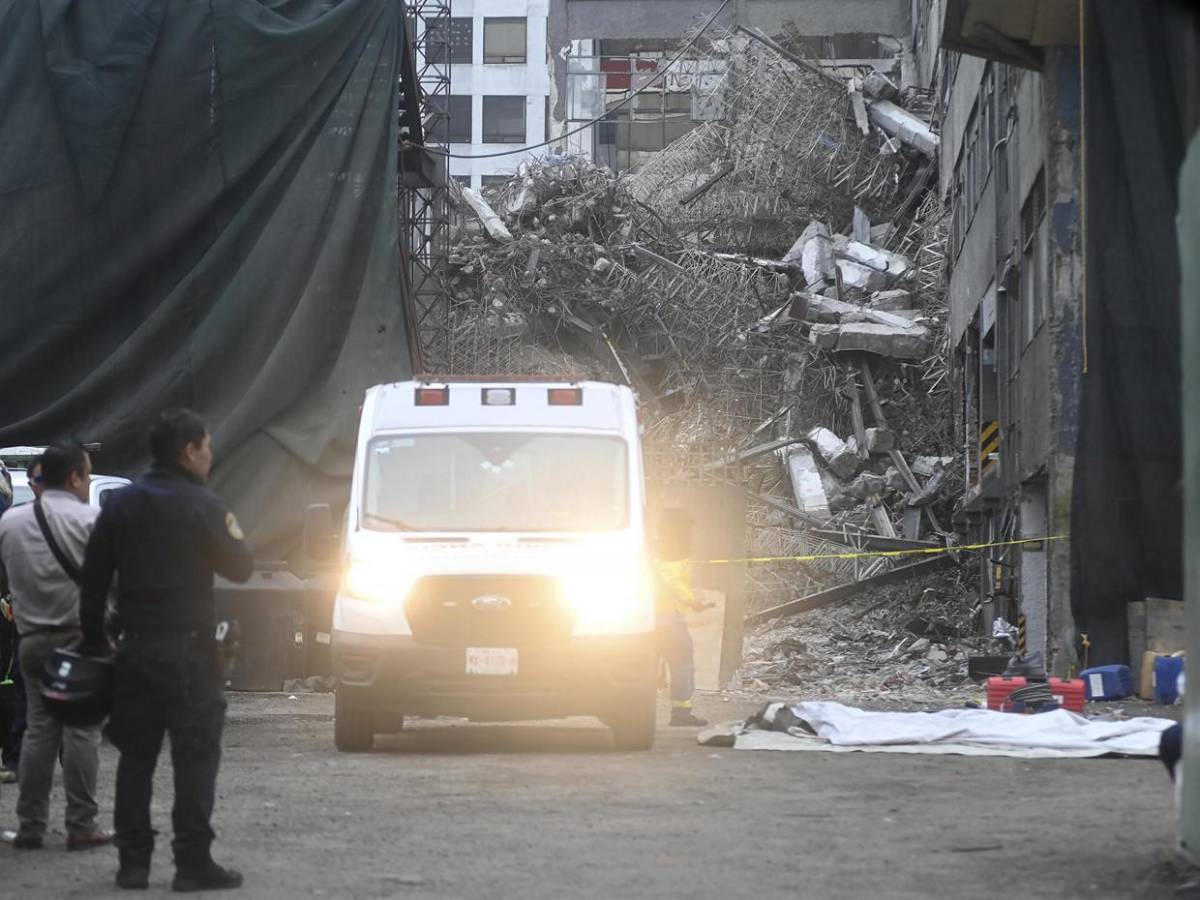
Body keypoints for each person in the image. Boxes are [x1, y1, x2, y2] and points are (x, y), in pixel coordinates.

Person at [81, 408, 253, 891]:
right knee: (194, 760)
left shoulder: (118, 505)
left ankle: (133, 865)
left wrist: (97, 641)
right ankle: (192, 863)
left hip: (135, 654)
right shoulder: (205, 505)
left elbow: (93, 583)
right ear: (189, 451)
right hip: (193, 658)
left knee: (135, 760)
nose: (211, 457)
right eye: (208, 448)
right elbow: (241, 567)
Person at [0, 443, 112, 850]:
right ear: (76, 477)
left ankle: (30, 827)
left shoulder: (10, 523)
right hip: (79, 642)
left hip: (30, 642)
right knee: (81, 732)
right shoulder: (93, 520)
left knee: (38, 732)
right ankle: (81, 825)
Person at [653, 508, 709, 728]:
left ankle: (631, 710)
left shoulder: (654, 549)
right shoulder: (670, 549)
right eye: (687, 528)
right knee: (682, 662)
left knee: (651, 666)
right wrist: (691, 601)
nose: (690, 534)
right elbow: (670, 580)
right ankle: (681, 714)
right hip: (667, 618)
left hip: (655, 617)